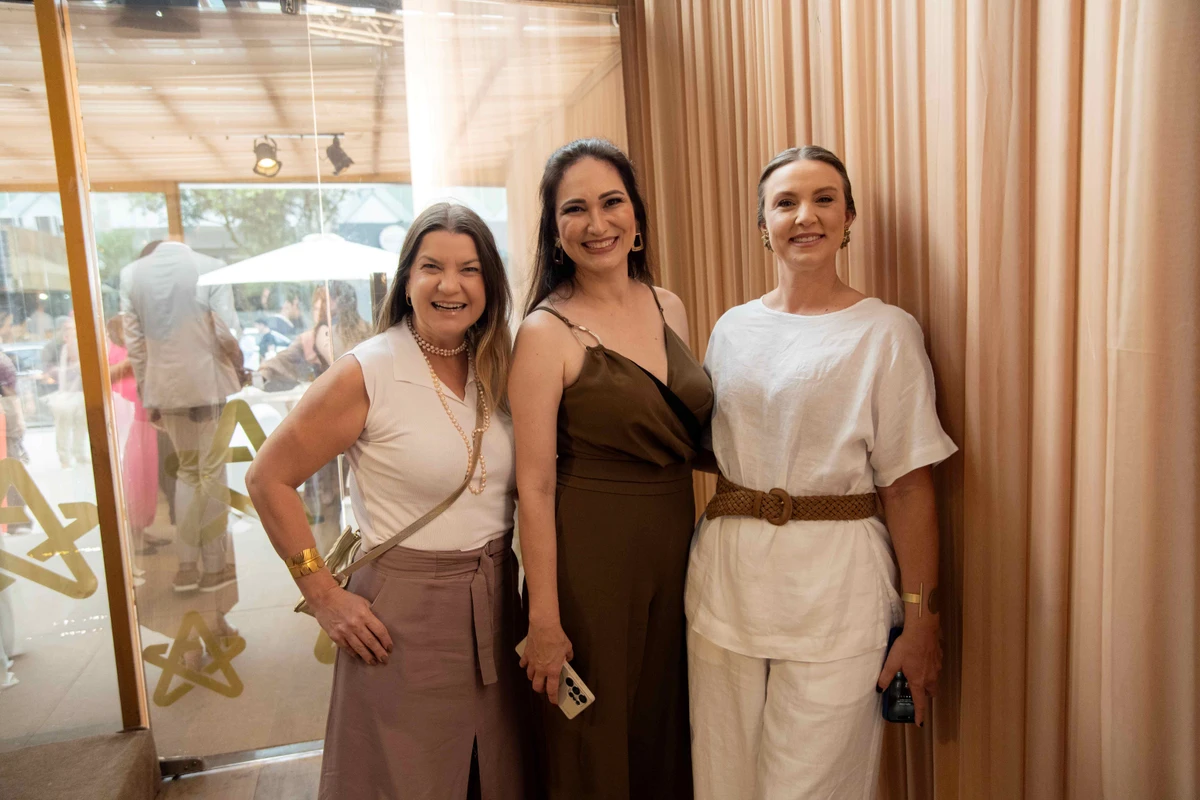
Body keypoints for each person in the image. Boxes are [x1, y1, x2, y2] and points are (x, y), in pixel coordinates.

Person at [685, 146, 958, 799]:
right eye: (785, 202)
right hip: (727, 585)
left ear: (848, 217)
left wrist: (920, 620)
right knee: (723, 779)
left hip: (837, 594)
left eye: (824, 199)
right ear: (762, 226)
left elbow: (908, 485)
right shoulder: (731, 329)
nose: (805, 216)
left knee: (814, 789)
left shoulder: (885, 332)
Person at [246, 202, 532, 800]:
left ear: (490, 283)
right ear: (406, 279)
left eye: (469, 269)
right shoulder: (368, 370)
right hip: (403, 616)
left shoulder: (498, 365)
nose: (450, 285)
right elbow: (267, 478)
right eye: (432, 266)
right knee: (403, 779)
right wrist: (323, 595)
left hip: (499, 599)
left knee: (494, 774)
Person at [510, 138, 712, 799]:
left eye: (611, 202)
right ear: (555, 231)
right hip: (589, 562)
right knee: (592, 740)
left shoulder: (669, 305)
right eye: (576, 209)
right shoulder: (545, 332)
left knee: (663, 726)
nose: (597, 223)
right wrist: (544, 619)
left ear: (636, 215)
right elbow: (533, 488)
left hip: (675, 547)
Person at [124, 240, 243, 593]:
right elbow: (226, 331)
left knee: (187, 475)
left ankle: (186, 568)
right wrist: (236, 362)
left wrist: (149, 392)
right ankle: (214, 568)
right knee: (212, 474)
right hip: (207, 385)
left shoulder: (131, 275)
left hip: (165, 388)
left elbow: (135, 344)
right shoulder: (211, 265)